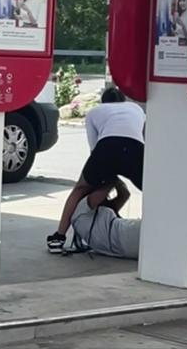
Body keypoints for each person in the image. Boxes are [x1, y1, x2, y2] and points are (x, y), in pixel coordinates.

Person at [47, 88, 145, 253]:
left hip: (107, 147)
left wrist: (105, 176)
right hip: (135, 148)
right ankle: (160, 230)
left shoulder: (95, 112)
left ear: (103, 102)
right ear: (123, 100)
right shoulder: (136, 109)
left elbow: (94, 147)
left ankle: (59, 236)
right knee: (152, 192)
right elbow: (139, 134)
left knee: (79, 189)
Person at [69, 179, 141, 259]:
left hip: (126, 248)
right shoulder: (80, 209)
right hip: (126, 234)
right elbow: (103, 193)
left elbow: (125, 194)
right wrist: (113, 176)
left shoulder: (91, 216)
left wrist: (115, 180)